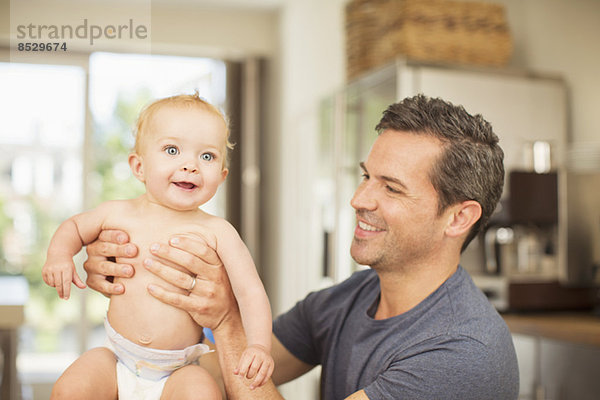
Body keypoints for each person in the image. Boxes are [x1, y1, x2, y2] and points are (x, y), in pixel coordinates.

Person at [83, 94, 519, 399]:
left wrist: (229, 321)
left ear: (459, 217)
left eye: (392, 188)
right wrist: (140, 278)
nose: (359, 199)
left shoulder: (461, 354)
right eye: (367, 176)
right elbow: (205, 376)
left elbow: (234, 352)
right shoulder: (346, 301)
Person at [42, 93, 273, 400]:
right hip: (117, 358)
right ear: (139, 166)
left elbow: (250, 292)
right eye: (172, 150)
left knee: (203, 394)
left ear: (222, 175)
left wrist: (258, 345)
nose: (190, 165)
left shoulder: (218, 231)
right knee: (70, 389)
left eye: (207, 156)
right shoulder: (117, 213)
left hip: (179, 369)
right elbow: (73, 227)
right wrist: (59, 255)